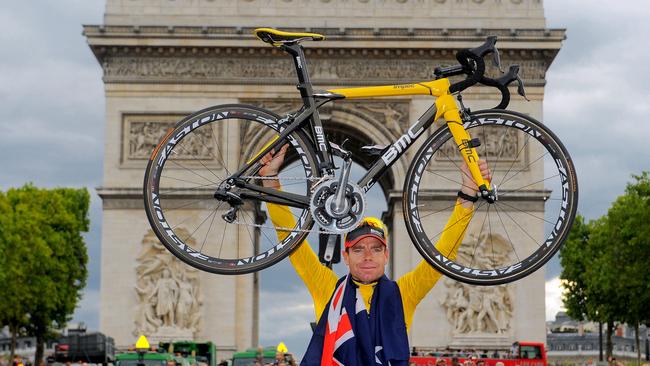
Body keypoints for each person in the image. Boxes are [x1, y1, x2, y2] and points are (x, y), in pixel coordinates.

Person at [260, 145, 490, 366]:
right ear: (346, 256)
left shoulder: (406, 292)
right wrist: (270, 180)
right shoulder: (326, 287)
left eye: (376, 248)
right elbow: (291, 239)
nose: (368, 256)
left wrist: (467, 197)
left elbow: (442, 255)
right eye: (359, 249)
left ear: (386, 255)